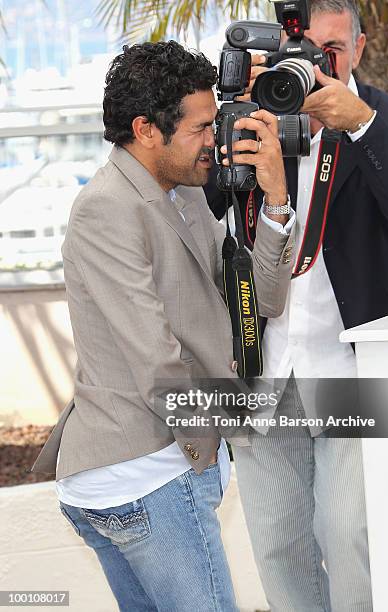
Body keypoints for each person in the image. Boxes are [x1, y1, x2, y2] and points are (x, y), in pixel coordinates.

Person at [32, 41, 295, 611]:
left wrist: (276, 201)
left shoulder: (181, 195)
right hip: (145, 476)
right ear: (146, 129)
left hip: (153, 473)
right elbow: (158, 363)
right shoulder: (107, 208)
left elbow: (261, 302)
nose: (215, 140)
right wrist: (214, 450)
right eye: (201, 128)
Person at [204, 1, 388, 611]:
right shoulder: (248, 117)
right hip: (262, 370)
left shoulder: (386, 119)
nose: (316, 65)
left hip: (349, 370)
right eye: (305, 50)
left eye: (333, 52)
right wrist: (241, 110)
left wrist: (362, 124)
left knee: (354, 544)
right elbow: (201, 214)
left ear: (361, 49)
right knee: (278, 549)